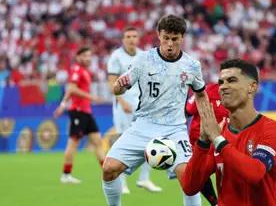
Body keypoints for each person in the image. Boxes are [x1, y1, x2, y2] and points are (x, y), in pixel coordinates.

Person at [102, 14, 208, 206]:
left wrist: (207, 124)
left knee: (189, 180)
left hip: (174, 129)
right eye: (165, 38)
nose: (169, 44)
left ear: (182, 38)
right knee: (109, 168)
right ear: (159, 35)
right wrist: (119, 86)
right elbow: (118, 87)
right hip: (142, 126)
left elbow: (201, 94)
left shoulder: (192, 66)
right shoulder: (143, 59)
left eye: (174, 39)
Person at [181, 59, 276, 206]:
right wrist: (203, 142)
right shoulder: (220, 134)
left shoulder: (273, 131)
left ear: (252, 87)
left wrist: (217, 139)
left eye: (231, 81)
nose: (223, 87)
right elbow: (189, 186)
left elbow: (254, 173)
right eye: (221, 82)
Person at [107, 27, 162, 193]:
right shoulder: (116, 57)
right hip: (123, 106)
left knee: (150, 140)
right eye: (128, 36)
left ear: (138, 38)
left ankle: (144, 179)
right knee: (122, 142)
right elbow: (112, 81)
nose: (131, 39)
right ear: (123, 39)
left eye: (134, 36)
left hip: (141, 105)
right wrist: (121, 100)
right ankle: (121, 182)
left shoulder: (143, 56)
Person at [54, 47, 105, 184]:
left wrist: (62, 105)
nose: (88, 58)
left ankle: (108, 173)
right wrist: (92, 97)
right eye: (85, 56)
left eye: (89, 55)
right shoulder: (76, 69)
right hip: (78, 111)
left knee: (97, 141)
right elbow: (71, 89)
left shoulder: (84, 71)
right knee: (73, 143)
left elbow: (70, 91)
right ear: (78, 57)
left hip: (86, 111)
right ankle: (65, 175)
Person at [185, 83, 229, 206]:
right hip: (201, 143)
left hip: (222, 142)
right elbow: (187, 110)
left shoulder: (238, 97)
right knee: (197, 177)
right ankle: (215, 203)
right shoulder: (206, 90)